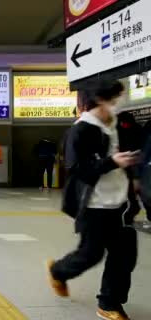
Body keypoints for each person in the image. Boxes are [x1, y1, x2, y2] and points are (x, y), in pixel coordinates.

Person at [46, 81, 138, 320]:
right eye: (117, 98)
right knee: (91, 254)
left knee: (124, 255)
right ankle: (58, 271)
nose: (121, 102)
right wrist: (112, 162)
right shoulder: (81, 130)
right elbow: (78, 170)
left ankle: (109, 303)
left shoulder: (120, 124)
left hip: (121, 203)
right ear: (101, 99)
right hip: (93, 206)